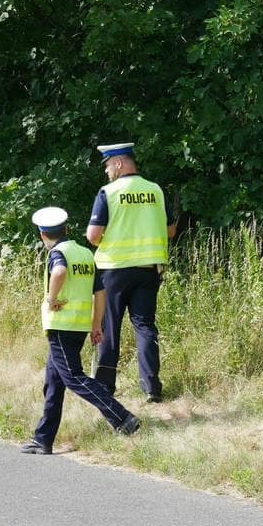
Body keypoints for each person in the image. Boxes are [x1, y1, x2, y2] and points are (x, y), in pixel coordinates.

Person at [21, 206, 141, 454]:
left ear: (43, 234)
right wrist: (96, 325)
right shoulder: (85, 254)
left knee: (74, 377)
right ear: (65, 229)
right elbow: (100, 292)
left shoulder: (58, 253)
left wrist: (51, 298)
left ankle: (122, 418)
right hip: (78, 327)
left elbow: (59, 272)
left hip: (61, 326)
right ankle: (43, 439)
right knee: (53, 383)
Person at [86, 143, 177, 402]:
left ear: (118, 163)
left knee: (109, 327)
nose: (106, 171)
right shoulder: (155, 190)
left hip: (114, 270)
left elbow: (93, 236)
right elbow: (170, 231)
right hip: (148, 270)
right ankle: (152, 388)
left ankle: (105, 388)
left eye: (107, 165)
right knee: (145, 326)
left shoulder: (109, 192)